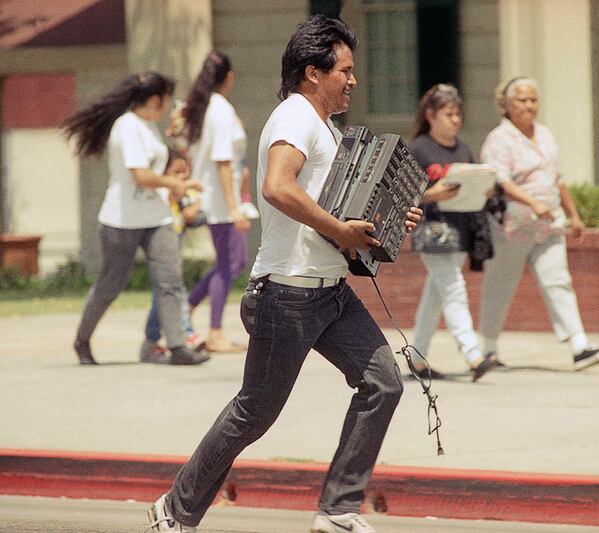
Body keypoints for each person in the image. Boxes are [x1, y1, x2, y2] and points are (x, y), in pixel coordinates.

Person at [146, 15, 421, 533]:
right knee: (254, 412)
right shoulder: (295, 115)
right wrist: (341, 230)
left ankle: (337, 509)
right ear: (312, 73)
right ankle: (175, 511)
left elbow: (340, 203)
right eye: (344, 70)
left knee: (383, 383)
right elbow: (276, 186)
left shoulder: (325, 127)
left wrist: (389, 218)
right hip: (286, 295)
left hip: (331, 292)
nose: (353, 80)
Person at [64, 72, 209, 366]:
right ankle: (82, 339)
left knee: (170, 280)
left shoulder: (149, 126)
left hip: (157, 218)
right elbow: (140, 176)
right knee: (111, 284)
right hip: (121, 220)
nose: (168, 105)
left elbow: (157, 166)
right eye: (166, 99)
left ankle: (178, 346)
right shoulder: (127, 127)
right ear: (156, 99)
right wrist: (177, 186)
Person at [479, 77, 599, 370]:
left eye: (533, 100)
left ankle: (580, 346)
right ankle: (488, 350)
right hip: (512, 228)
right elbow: (499, 180)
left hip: (548, 225)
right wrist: (532, 202)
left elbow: (557, 179)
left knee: (558, 281)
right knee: (499, 286)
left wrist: (574, 215)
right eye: (522, 100)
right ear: (506, 105)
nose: (530, 106)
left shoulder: (546, 135)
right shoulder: (499, 139)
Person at [409, 84, 498, 382]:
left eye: (458, 114)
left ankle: (417, 358)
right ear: (431, 115)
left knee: (436, 295)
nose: (456, 120)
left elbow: (472, 186)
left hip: (460, 229)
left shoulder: (462, 148)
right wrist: (433, 194)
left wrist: (482, 190)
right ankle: (472, 353)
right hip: (431, 230)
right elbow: (405, 193)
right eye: (449, 114)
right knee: (453, 288)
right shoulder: (419, 149)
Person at [183, 51, 250, 353]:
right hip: (222, 200)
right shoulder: (220, 110)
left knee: (231, 262)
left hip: (215, 196)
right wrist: (234, 206)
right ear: (230, 78)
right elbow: (223, 160)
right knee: (230, 263)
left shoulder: (207, 108)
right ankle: (215, 331)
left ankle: (187, 309)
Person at [140, 149, 204, 361]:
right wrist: (183, 186)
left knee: (167, 292)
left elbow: (197, 200)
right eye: (176, 172)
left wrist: (194, 208)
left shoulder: (183, 190)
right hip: (161, 244)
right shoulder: (161, 192)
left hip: (174, 243)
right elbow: (173, 193)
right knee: (173, 290)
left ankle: (154, 339)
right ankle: (184, 334)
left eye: (185, 172)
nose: (182, 177)